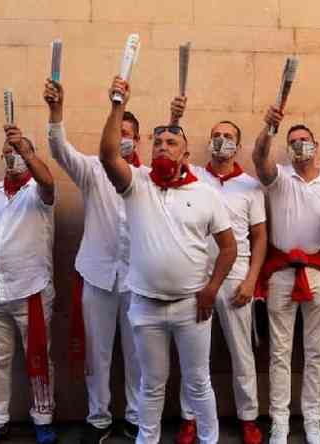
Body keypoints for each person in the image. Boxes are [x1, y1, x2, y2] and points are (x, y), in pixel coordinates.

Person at [99, 76, 237, 444]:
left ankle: (209, 440)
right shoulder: (137, 184)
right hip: (145, 307)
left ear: (185, 154)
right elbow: (108, 155)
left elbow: (228, 247)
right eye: (157, 141)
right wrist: (117, 103)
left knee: (198, 382)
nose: (162, 146)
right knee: (151, 385)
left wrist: (211, 289)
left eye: (171, 142)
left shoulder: (205, 194)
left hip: (192, 307)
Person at [43, 79, 144, 442]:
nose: (124, 138)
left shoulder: (147, 178)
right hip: (98, 275)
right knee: (97, 354)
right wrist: (56, 112)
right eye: (120, 132)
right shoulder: (91, 170)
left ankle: (135, 417)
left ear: (139, 140)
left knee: (137, 355)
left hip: (137, 279)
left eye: (130, 134)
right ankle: (98, 418)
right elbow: (58, 149)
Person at [252, 106, 320, 444]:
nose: (299, 146)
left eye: (304, 140)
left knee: (315, 351)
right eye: (293, 141)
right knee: (279, 351)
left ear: (315, 145)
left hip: (319, 276)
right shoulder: (278, 179)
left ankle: (312, 420)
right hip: (279, 274)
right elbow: (258, 155)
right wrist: (270, 127)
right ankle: (280, 421)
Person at [174, 118, 267, 444]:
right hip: (196, 276)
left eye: (228, 136)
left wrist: (251, 280)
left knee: (242, 354)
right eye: (215, 135)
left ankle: (248, 418)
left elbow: (259, 237)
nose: (221, 140)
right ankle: (190, 418)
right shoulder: (194, 177)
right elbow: (170, 151)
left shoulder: (251, 186)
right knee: (193, 354)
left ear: (238, 146)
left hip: (236, 277)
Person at [0, 125, 57, 444]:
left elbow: (48, 181)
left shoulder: (39, 193)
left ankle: (44, 420)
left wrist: (26, 149)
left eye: (17, 152)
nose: (12, 158)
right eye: (7, 153)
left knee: (38, 358)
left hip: (30, 291)